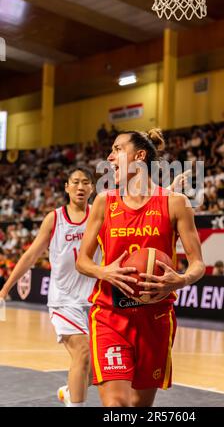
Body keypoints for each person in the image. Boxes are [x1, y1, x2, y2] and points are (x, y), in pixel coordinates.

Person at [76, 128, 205, 407]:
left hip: (155, 318)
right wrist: (104, 271)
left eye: (117, 149)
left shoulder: (176, 204)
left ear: (140, 156)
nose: (109, 157)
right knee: (117, 406)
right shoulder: (103, 202)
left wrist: (180, 280)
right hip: (110, 315)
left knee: (139, 406)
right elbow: (82, 261)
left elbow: (198, 264)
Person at [0, 167, 99, 406]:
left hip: (95, 299)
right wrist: (5, 288)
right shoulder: (55, 218)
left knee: (97, 369)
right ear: (66, 187)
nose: (80, 187)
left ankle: (68, 392)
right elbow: (31, 255)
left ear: (92, 188)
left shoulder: (99, 215)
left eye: (86, 182)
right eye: (75, 182)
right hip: (64, 300)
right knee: (83, 353)